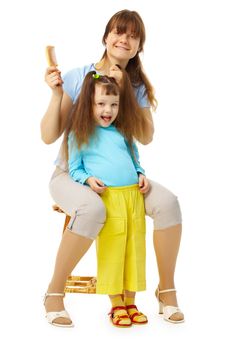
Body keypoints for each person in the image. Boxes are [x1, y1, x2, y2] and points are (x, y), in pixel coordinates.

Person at [42, 9, 184, 327]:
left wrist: (127, 94)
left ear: (138, 47)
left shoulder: (137, 86)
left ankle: (167, 290)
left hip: (121, 179)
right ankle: (54, 292)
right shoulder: (81, 77)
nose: (125, 39)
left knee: (168, 203)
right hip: (73, 174)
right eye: (119, 31)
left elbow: (144, 138)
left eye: (133, 36)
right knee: (92, 209)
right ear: (106, 37)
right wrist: (56, 96)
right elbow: (49, 135)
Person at [67, 71, 149, 327]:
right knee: (113, 250)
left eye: (113, 104)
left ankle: (131, 301)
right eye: (101, 104)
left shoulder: (123, 131)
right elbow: (75, 168)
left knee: (135, 250)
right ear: (88, 104)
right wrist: (89, 180)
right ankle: (116, 304)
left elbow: (135, 158)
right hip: (109, 198)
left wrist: (141, 173)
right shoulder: (80, 133)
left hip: (133, 196)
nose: (108, 110)